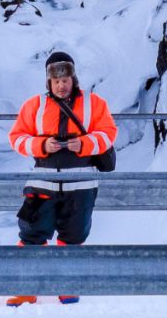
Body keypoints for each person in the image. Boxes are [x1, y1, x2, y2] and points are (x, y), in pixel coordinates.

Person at [9, 49, 116, 246]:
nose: (61, 86)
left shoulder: (94, 103)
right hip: (43, 183)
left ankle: (65, 276)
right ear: (48, 82)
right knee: (31, 236)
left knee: (73, 240)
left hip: (81, 186)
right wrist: (42, 145)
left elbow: (108, 133)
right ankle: (30, 276)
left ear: (73, 79)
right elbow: (16, 138)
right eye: (56, 81)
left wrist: (84, 144)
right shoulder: (35, 105)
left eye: (65, 80)